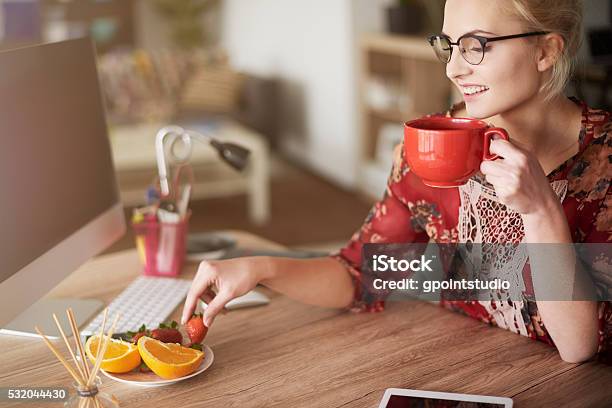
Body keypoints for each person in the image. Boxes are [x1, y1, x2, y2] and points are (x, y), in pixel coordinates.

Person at [181, 0, 611, 364]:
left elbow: (578, 347)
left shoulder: (604, 161)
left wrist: (540, 210)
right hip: (459, 366)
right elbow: (362, 272)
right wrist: (261, 267)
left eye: (477, 46)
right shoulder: (432, 150)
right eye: (450, 46)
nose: (454, 70)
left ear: (546, 52)